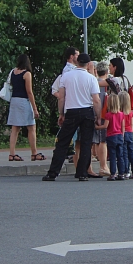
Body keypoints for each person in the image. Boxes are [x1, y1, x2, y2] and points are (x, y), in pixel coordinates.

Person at [42, 53, 101, 181]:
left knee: (62, 142)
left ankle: (53, 172)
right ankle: (82, 173)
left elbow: (62, 97)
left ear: (77, 62)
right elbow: (96, 100)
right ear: (88, 64)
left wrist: (61, 114)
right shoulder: (91, 79)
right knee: (86, 143)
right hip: (87, 111)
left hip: (71, 111)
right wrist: (98, 116)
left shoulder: (67, 76)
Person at [7, 54, 42, 161]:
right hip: (24, 101)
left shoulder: (13, 72)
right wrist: (35, 108)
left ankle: (12, 154)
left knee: (15, 128)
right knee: (31, 127)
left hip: (14, 100)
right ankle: (34, 153)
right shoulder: (27, 74)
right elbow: (29, 92)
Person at [102, 92, 126, 181]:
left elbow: (105, 126)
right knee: (120, 156)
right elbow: (123, 126)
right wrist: (122, 136)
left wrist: (97, 127)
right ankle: (121, 173)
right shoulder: (121, 114)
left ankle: (113, 174)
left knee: (112, 156)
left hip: (111, 136)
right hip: (119, 135)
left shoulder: (108, 115)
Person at [120, 90, 133, 179]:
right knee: (131, 152)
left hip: (122, 133)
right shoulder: (130, 112)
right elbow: (131, 124)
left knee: (124, 153)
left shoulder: (120, 114)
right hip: (129, 132)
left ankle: (126, 171)